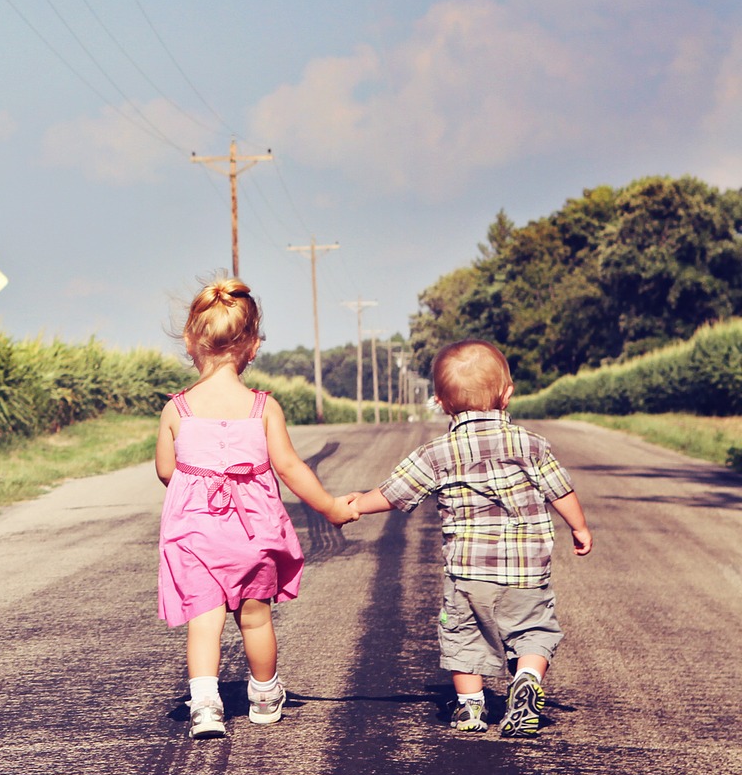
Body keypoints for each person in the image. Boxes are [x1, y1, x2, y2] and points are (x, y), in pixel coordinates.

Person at [343, 339, 593, 738]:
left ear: (441, 402)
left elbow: (394, 493)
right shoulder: (531, 445)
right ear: (507, 394)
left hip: (470, 572)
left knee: (465, 637)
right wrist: (578, 526)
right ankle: (526, 679)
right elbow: (559, 490)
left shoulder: (437, 452)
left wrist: (356, 505)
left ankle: (471, 708)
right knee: (533, 631)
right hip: (528, 570)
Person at [156, 276, 359, 739]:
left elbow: (167, 470)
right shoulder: (262, 407)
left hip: (196, 535)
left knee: (204, 622)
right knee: (255, 616)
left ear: (190, 339)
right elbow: (289, 467)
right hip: (253, 533)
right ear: (252, 346)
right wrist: (330, 507)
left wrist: (200, 482)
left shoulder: (177, 409)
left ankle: (205, 705)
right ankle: (265, 694)